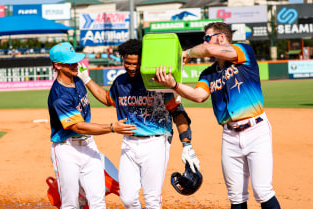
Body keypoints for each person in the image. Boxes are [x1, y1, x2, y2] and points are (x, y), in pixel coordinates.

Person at [154, 22, 281, 209]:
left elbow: (208, 48)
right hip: (230, 136)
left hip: (256, 131)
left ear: (221, 37)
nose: (204, 42)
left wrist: (186, 53)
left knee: (263, 192)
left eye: (207, 37)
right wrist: (174, 85)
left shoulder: (242, 52)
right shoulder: (209, 73)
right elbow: (199, 96)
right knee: (236, 197)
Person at [78, 39, 199, 209]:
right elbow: (108, 99)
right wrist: (86, 78)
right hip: (129, 143)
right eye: (128, 63)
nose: (132, 67)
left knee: (152, 199)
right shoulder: (120, 82)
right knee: (127, 199)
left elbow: (178, 112)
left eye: (136, 63)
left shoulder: (156, 81)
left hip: (156, 143)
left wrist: (187, 144)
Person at [47, 42, 136, 209]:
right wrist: (111, 127)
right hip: (67, 151)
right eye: (70, 62)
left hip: (88, 147)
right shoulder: (59, 95)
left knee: (97, 201)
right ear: (57, 65)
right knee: (71, 204)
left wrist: (86, 78)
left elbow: (105, 98)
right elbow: (78, 127)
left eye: (76, 61)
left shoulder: (78, 80)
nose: (75, 65)